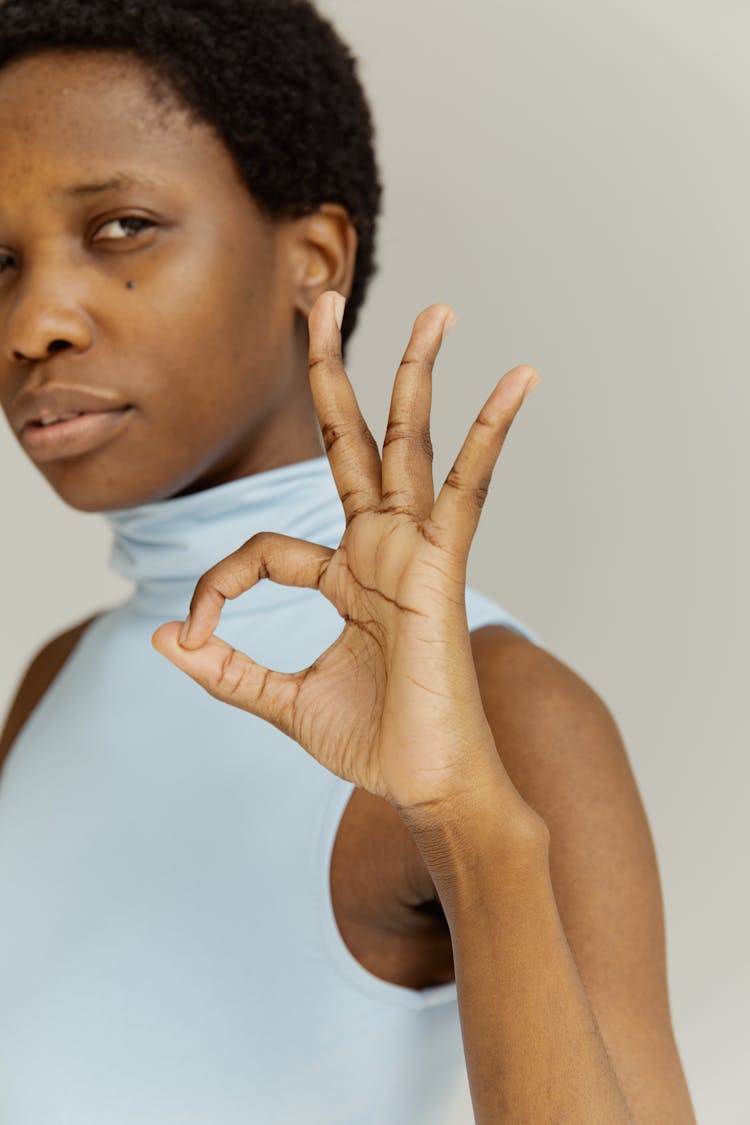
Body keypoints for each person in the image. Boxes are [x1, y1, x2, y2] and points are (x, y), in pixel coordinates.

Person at [0, 1, 697, 1122]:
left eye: (121, 226)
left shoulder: (510, 710)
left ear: (312, 260)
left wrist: (464, 822)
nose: (34, 322)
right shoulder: (53, 680)